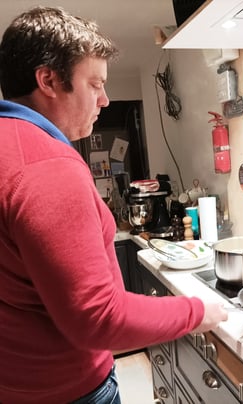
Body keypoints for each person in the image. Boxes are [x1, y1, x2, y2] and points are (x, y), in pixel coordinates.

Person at [0, 6, 228, 404]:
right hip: (68, 391)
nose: (105, 99)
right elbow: (99, 317)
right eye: (95, 84)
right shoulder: (48, 165)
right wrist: (198, 312)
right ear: (49, 80)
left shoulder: (10, 145)